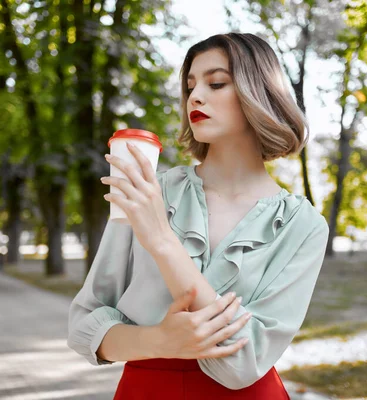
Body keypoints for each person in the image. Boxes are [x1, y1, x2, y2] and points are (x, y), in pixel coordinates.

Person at [67, 33, 329, 399]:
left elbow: (241, 365)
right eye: (190, 86)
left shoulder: (304, 226)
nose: (195, 96)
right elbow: (83, 325)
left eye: (216, 82)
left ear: (260, 93)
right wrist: (157, 340)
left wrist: (162, 241)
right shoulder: (148, 191)